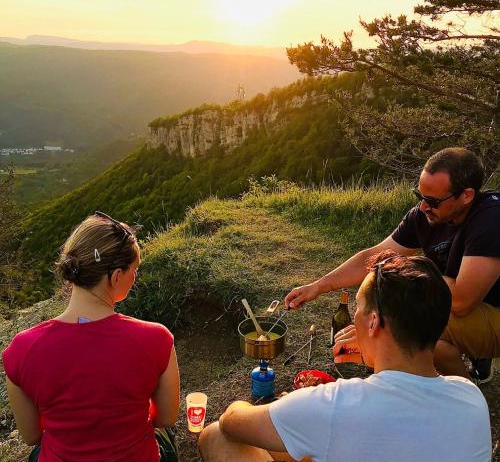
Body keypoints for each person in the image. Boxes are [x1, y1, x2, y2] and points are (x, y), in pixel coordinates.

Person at [198, 252, 491, 462]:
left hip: (284, 417)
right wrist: (379, 358)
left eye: (359, 311)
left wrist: (288, 405)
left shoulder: (334, 405)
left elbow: (232, 422)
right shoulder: (470, 397)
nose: (354, 320)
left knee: (215, 435)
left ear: (373, 322)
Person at [285, 147, 500, 382]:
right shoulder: (426, 216)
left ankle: (460, 402)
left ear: (467, 195)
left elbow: (460, 302)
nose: (423, 207)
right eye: (419, 196)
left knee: (415, 328)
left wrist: (412, 271)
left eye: (431, 201)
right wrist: (319, 285)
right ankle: (463, 383)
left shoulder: (491, 218)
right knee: (389, 293)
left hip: (492, 309)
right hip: (470, 305)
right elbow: (375, 255)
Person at [2, 212, 180, 461]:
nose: (135, 277)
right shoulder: (157, 339)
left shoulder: (21, 348)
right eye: (134, 269)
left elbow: (32, 436)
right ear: (116, 276)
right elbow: (166, 418)